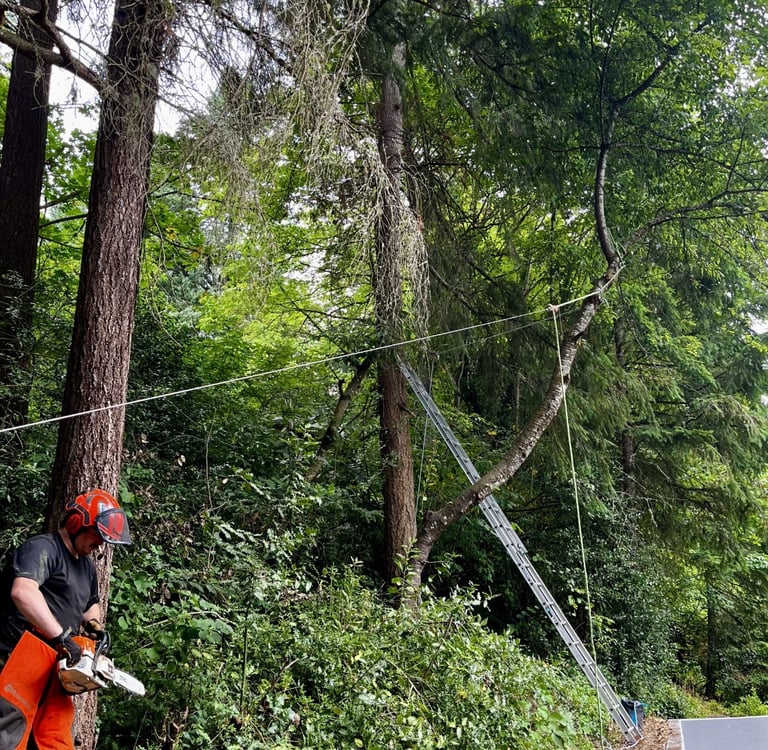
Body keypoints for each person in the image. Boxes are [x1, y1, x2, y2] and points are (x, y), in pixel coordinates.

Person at [0, 488, 131, 750]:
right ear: (76, 523)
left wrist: (95, 629)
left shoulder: (86, 566)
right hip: (19, 656)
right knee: (10, 734)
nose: (100, 544)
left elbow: (89, 605)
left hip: (57, 663)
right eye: (97, 535)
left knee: (54, 738)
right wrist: (61, 636)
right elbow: (23, 592)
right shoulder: (42, 548)